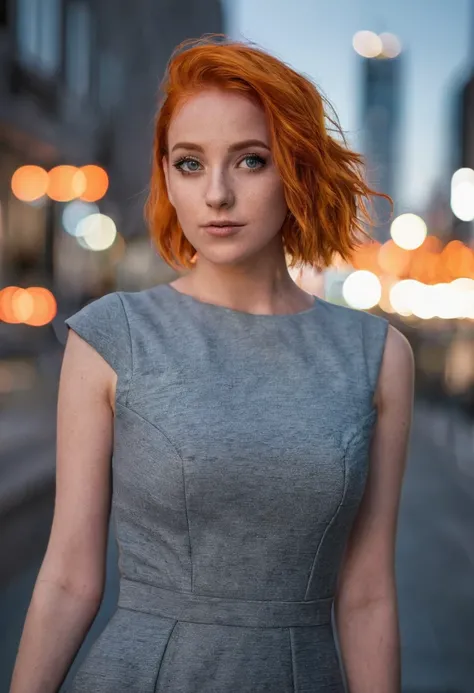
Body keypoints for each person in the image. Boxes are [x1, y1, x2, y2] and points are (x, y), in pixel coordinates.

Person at [10, 35, 414, 693]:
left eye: (250, 160)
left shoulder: (377, 356)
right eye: (190, 163)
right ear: (166, 173)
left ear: (297, 169)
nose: (217, 194)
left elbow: (367, 594)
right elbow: (68, 577)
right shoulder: (111, 336)